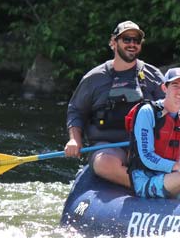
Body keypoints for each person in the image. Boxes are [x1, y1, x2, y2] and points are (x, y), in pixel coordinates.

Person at [64, 21, 164, 187]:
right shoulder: (93, 78)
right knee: (104, 163)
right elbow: (76, 111)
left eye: (136, 40)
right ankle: (147, 186)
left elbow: (170, 108)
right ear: (113, 42)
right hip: (109, 147)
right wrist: (74, 140)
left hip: (146, 146)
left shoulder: (153, 75)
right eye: (126, 39)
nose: (132, 44)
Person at [126, 67, 180, 198]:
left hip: (172, 174)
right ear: (164, 88)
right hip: (146, 179)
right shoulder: (147, 112)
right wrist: (178, 166)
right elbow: (147, 156)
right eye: (175, 85)